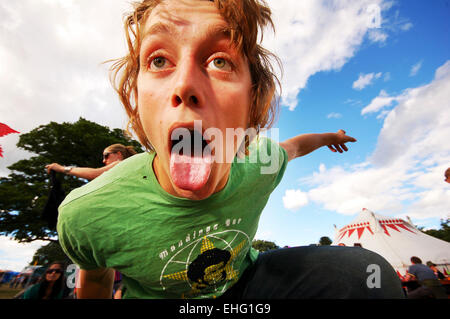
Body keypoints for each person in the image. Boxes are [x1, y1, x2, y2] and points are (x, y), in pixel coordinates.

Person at [57, 0, 405, 299]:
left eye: (220, 61)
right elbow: (96, 276)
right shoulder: (86, 213)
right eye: (159, 60)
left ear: (253, 101)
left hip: (247, 284)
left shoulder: (258, 164)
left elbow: (295, 146)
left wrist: (332, 136)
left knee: (366, 274)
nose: (185, 85)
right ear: (137, 100)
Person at [46, 144, 136, 180]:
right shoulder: (132, 167)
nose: (103, 160)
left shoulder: (120, 163)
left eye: (106, 155)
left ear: (119, 154)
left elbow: (93, 174)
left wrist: (61, 168)